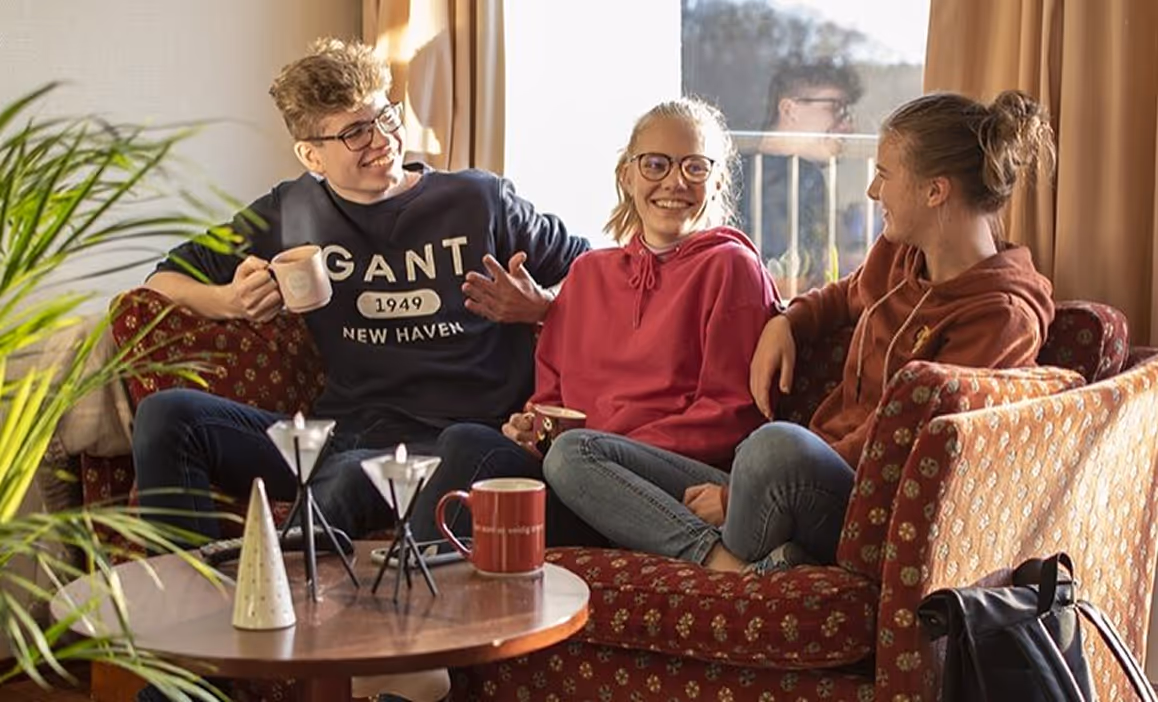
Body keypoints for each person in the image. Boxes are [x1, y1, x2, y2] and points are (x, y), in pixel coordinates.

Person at [549, 90, 1057, 575]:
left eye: (883, 174)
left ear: (934, 191)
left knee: (772, 448)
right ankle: (730, 566)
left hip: (857, 500)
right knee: (575, 453)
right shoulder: (901, 256)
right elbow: (841, 297)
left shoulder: (1001, 316)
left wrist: (733, 497)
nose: (872, 190)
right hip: (783, 479)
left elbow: (899, 445)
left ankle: (731, 541)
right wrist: (786, 321)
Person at [130, 37, 589, 545]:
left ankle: (280, 582)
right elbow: (161, 281)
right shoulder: (292, 211)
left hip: (458, 441)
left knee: (349, 478)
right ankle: (185, 606)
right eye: (354, 132)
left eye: (385, 117)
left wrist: (541, 306)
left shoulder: (479, 200)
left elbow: (599, 273)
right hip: (340, 434)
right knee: (169, 416)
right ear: (311, 156)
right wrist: (229, 301)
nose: (382, 139)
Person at [409, 97, 779, 549]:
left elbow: (730, 412)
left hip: (660, 485)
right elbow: (550, 398)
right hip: (572, 469)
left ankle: (418, 595)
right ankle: (419, 598)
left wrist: (609, 447)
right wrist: (530, 428)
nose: (675, 182)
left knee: (569, 455)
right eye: (656, 165)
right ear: (627, 174)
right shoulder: (587, 273)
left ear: (717, 180)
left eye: (695, 168)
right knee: (466, 444)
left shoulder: (731, 267)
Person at [738, 60, 864, 292]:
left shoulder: (807, 178)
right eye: (835, 108)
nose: (848, 126)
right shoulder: (734, 178)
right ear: (789, 110)